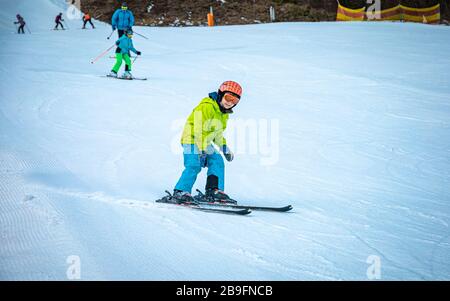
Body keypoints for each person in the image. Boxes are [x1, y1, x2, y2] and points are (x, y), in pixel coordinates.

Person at [172, 81, 242, 203]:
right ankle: (180, 191)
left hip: (204, 143)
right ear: (220, 94)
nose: (230, 102)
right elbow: (199, 130)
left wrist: (224, 148)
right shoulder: (206, 106)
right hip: (192, 139)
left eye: (234, 101)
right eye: (228, 97)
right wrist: (202, 149)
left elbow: (217, 134)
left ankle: (214, 190)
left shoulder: (223, 114)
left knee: (217, 160)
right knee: (194, 164)